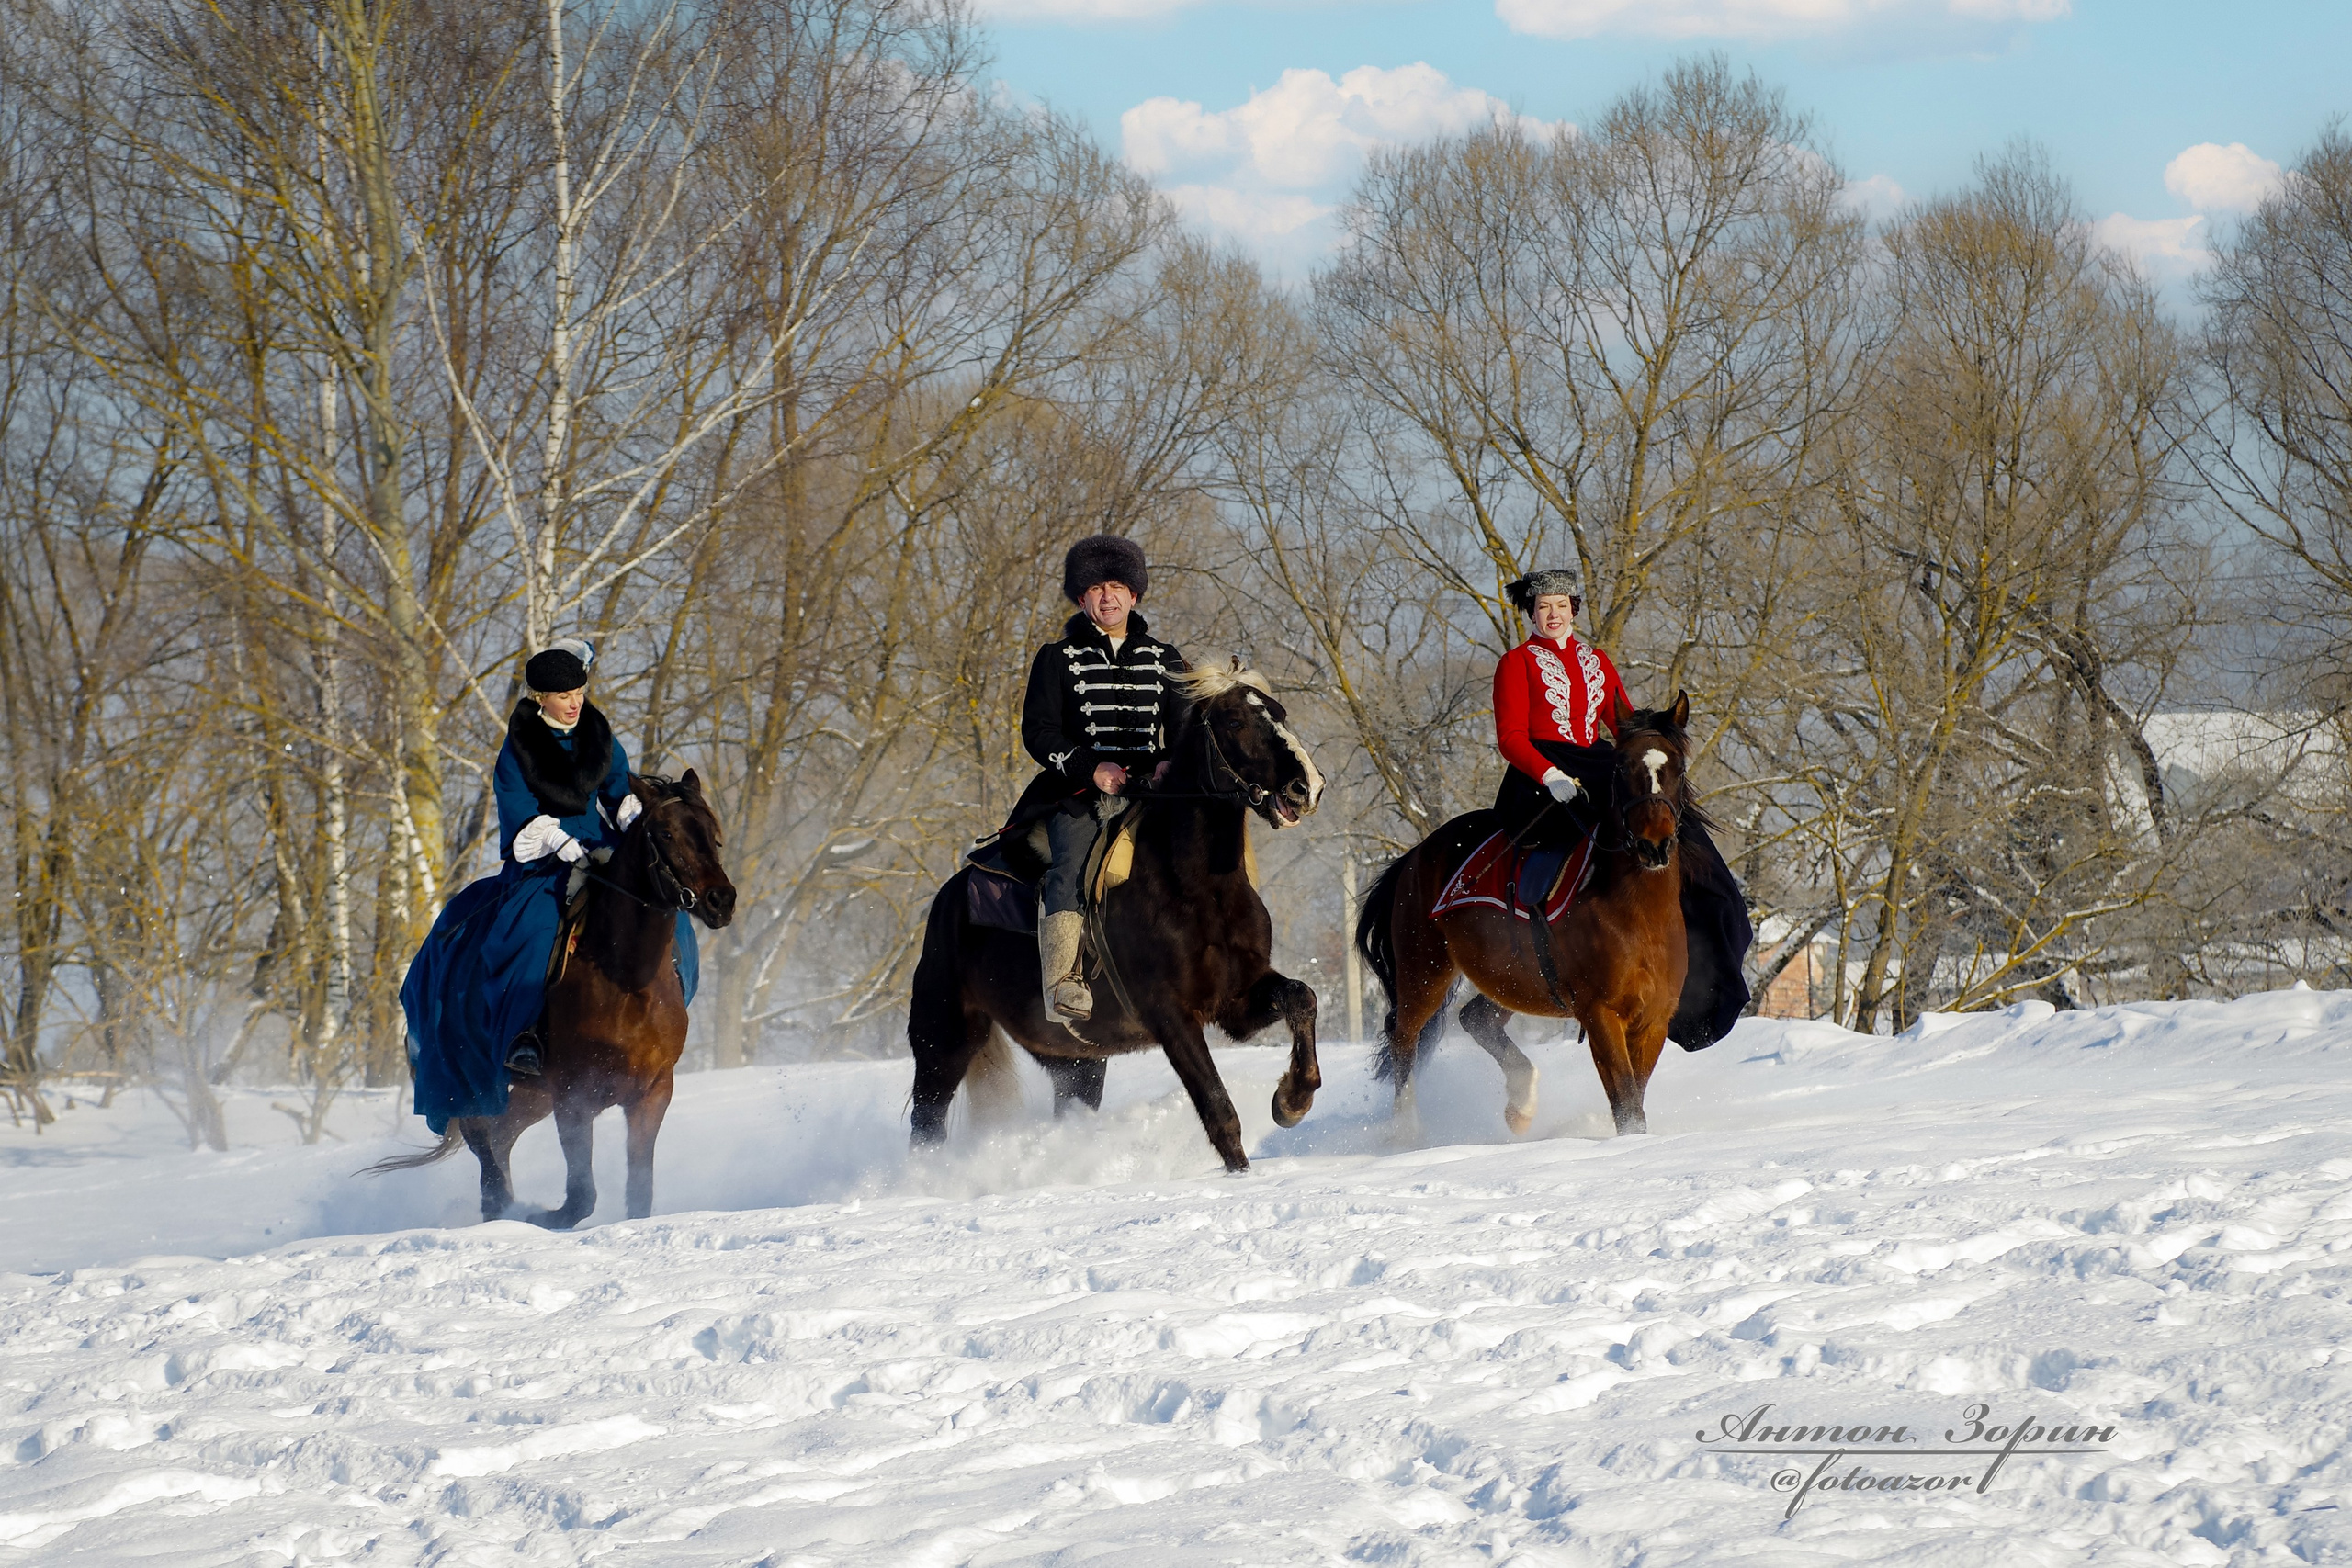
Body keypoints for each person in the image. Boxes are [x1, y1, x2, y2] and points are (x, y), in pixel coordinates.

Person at [401, 638, 699, 1131]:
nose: (575, 701)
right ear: (540, 697)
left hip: (603, 849)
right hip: (542, 861)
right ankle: (526, 1039)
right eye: (564, 695)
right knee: (534, 933)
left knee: (670, 920)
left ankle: (671, 1008)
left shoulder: (598, 733)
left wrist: (632, 821)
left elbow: (620, 787)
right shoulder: (518, 748)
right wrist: (559, 842)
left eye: (579, 690)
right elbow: (519, 814)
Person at [1489, 569, 1753, 1047]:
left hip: (1598, 765)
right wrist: (1550, 776)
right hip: (1540, 775)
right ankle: (1560, 946)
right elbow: (1509, 738)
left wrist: (1655, 742)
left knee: (1677, 832)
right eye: (1542, 607)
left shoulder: (1597, 660)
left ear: (1573, 608)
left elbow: (1622, 725)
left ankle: (1708, 948)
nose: (1553, 615)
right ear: (1530, 612)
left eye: (1561, 605)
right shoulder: (1516, 663)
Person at [1007, 535, 1186, 1022]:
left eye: (1118, 586)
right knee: (1069, 864)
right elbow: (1038, 731)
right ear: (1081, 598)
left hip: (1151, 792)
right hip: (1079, 792)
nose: (1108, 596)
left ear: (1135, 594)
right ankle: (1062, 980)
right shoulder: (1056, 658)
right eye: (1096, 587)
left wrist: (1170, 761)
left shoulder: (1166, 660)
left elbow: (1186, 726)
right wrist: (1091, 768)